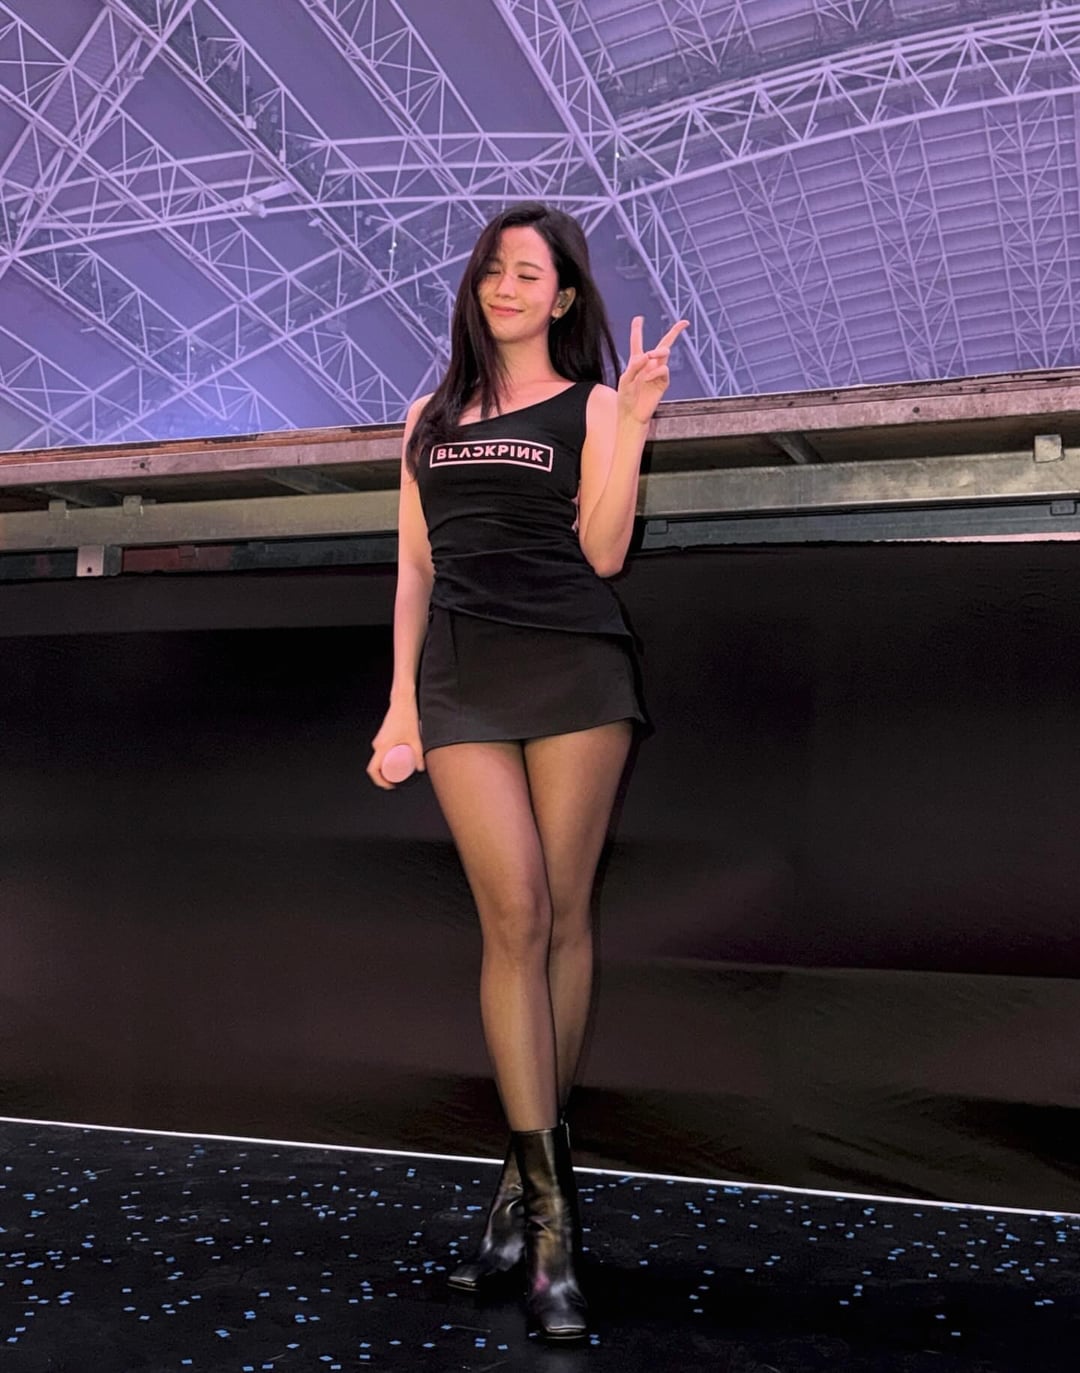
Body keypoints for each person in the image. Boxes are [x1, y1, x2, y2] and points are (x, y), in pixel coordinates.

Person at [366, 201, 687, 1342]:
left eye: (529, 273)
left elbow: (604, 549)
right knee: (513, 915)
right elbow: (413, 569)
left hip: (574, 667)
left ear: (563, 298)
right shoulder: (427, 416)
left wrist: (632, 421)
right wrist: (400, 703)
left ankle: (532, 1214)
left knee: (561, 918)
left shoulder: (590, 403)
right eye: (492, 270)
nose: (505, 286)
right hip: (461, 676)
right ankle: (551, 1213)